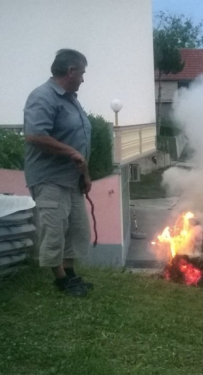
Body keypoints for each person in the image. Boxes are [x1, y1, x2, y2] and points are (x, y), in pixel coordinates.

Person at [24, 49, 92, 297]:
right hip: (49, 177)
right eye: (82, 73)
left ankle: (70, 273)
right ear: (71, 71)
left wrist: (85, 176)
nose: (83, 79)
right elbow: (35, 135)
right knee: (54, 229)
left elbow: (79, 142)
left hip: (71, 179)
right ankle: (60, 280)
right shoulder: (43, 97)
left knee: (76, 228)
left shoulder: (70, 98)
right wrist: (70, 152)